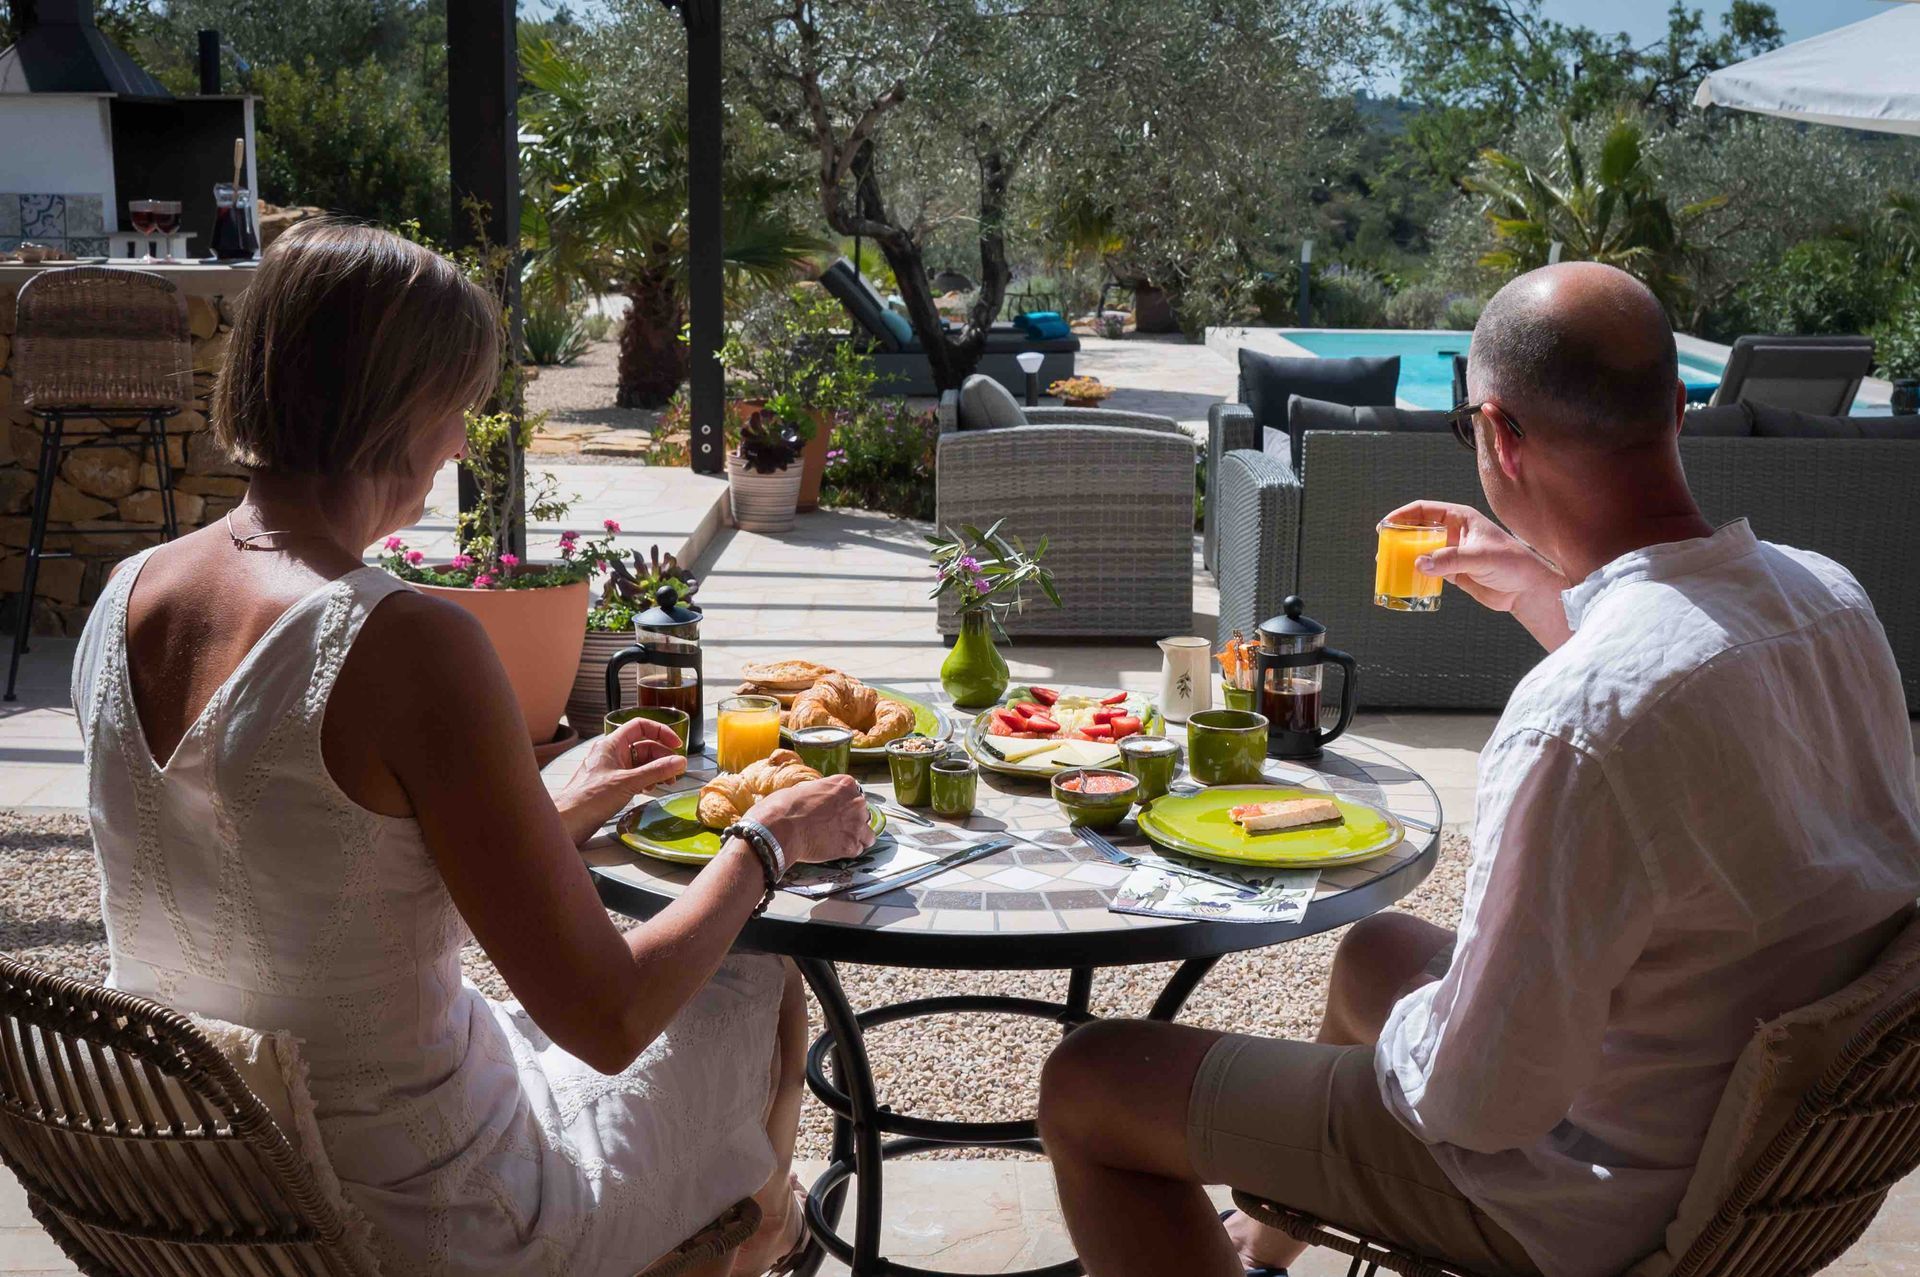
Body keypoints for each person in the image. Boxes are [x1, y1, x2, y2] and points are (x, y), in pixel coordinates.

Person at [1038, 262, 1920, 1277]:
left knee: (1093, 1077)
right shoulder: (1829, 596)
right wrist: (1544, 595)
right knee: (1375, 951)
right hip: (1746, 1129)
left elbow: (1479, 1102)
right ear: (1677, 409)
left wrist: (1431, 1019)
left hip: (1584, 1197)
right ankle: (1263, 1247)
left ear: (1498, 434)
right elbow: (1693, 707)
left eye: (1468, 432)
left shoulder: (1579, 717)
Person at [70, 219, 877, 1277]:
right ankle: (740, 1239)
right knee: (752, 966)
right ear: (395, 407)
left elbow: (296, 860)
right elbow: (608, 1014)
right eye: (455, 407)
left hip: (211, 1184)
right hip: (417, 1222)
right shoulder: (403, 639)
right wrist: (764, 845)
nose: (459, 441)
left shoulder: (125, 594)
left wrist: (544, 799)